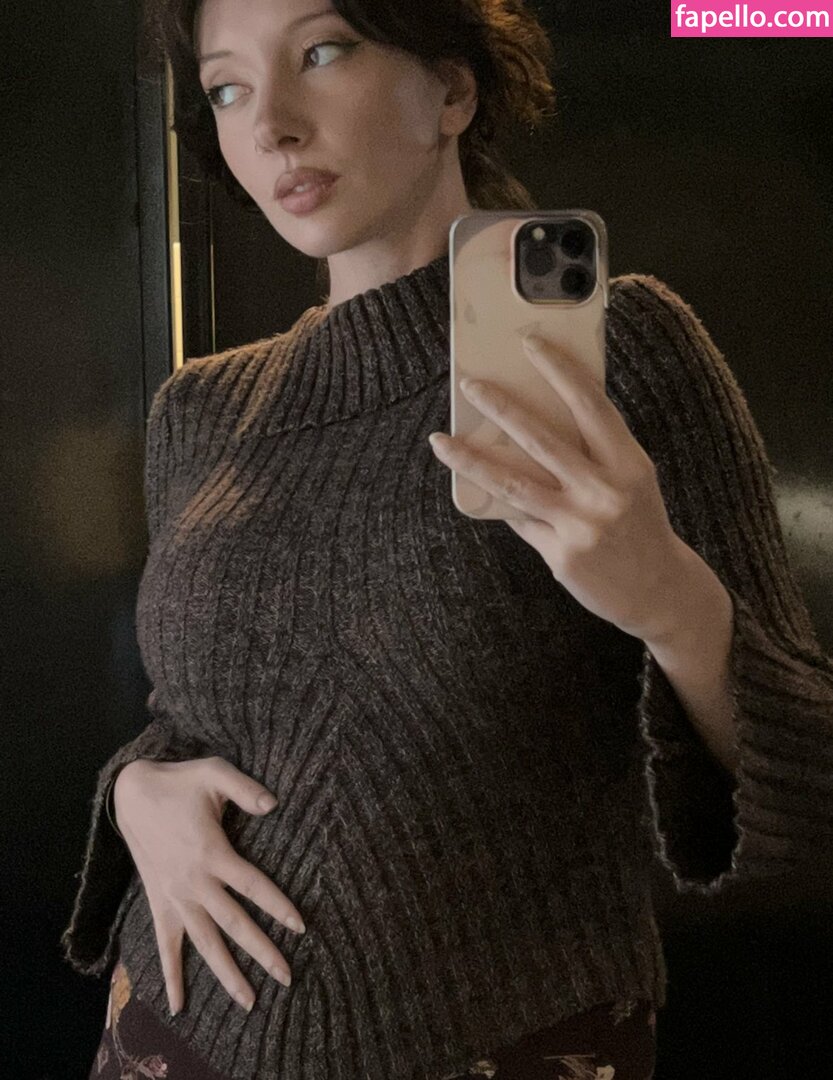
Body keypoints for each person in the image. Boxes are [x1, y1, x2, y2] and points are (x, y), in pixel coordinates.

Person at [61, 1, 833, 1078]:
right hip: (171, 1038)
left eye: (321, 51)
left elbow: (812, 797)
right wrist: (137, 793)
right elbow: (191, 715)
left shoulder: (625, 351)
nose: (269, 124)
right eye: (226, 88)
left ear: (454, 90)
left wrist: (670, 602)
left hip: (501, 1042)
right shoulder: (199, 410)